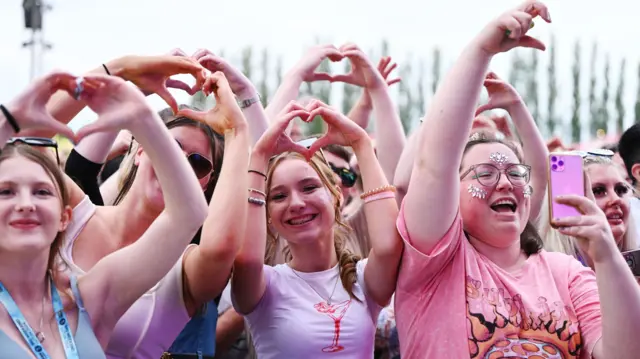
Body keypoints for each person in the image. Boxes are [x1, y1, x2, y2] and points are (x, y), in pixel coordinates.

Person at [395, 1, 640, 358]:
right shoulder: (436, 261)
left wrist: (606, 257)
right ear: (452, 192)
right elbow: (434, 163)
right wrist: (481, 52)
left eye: (514, 172)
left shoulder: (567, 273)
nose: (506, 183)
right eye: (486, 173)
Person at [0, 70, 208, 358]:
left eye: (42, 192)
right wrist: (9, 119)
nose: (26, 203)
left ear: (64, 216)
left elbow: (189, 213)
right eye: (5, 192)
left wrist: (143, 118)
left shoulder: (88, 301)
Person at [232, 44, 403, 358]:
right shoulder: (263, 283)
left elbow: (391, 245)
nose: (296, 203)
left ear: (337, 195)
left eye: (309, 187)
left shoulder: (365, 280)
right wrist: (258, 156)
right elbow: (246, 259)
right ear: (267, 214)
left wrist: (362, 144)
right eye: (279, 196)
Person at [542, 152, 638, 267]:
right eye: (598, 191)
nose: (616, 199)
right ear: (569, 203)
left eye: (621, 190)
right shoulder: (549, 273)